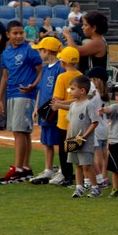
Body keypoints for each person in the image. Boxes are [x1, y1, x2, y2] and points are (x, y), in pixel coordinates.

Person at [0, 19, 42, 183]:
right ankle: (25, 167)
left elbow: (40, 71)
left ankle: (18, 168)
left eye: (21, 33)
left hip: (24, 95)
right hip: (12, 94)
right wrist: (0, 98)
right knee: (23, 132)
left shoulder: (29, 50)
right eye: (15, 33)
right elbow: (5, 76)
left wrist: (33, 86)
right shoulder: (6, 54)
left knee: (19, 131)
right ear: (8, 35)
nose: (18, 36)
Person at [29, 36, 63, 184]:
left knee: (60, 141)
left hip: (56, 112)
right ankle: (48, 169)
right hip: (45, 112)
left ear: (47, 51)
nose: (39, 54)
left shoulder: (60, 67)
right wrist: (36, 107)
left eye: (41, 50)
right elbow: (40, 90)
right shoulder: (44, 68)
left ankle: (63, 170)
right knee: (47, 141)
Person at [62, 76, 101, 198]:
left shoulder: (88, 105)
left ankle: (95, 188)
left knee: (86, 165)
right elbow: (70, 123)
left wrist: (84, 137)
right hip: (74, 141)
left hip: (84, 141)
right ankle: (79, 188)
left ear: (82, 90)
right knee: (77, 164)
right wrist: (68, 139)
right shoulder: (73, 106)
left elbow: (94, 122)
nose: (70, 91)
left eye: (73, 89)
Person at [49, 47, 82, 187]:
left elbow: (57, 99)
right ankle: (81, 175)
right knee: (78, 148)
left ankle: (67, 176)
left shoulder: (62, 77)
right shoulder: (81, 76)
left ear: (63, 63)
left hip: (64, 119)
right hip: (78, 119)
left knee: (64, 150)